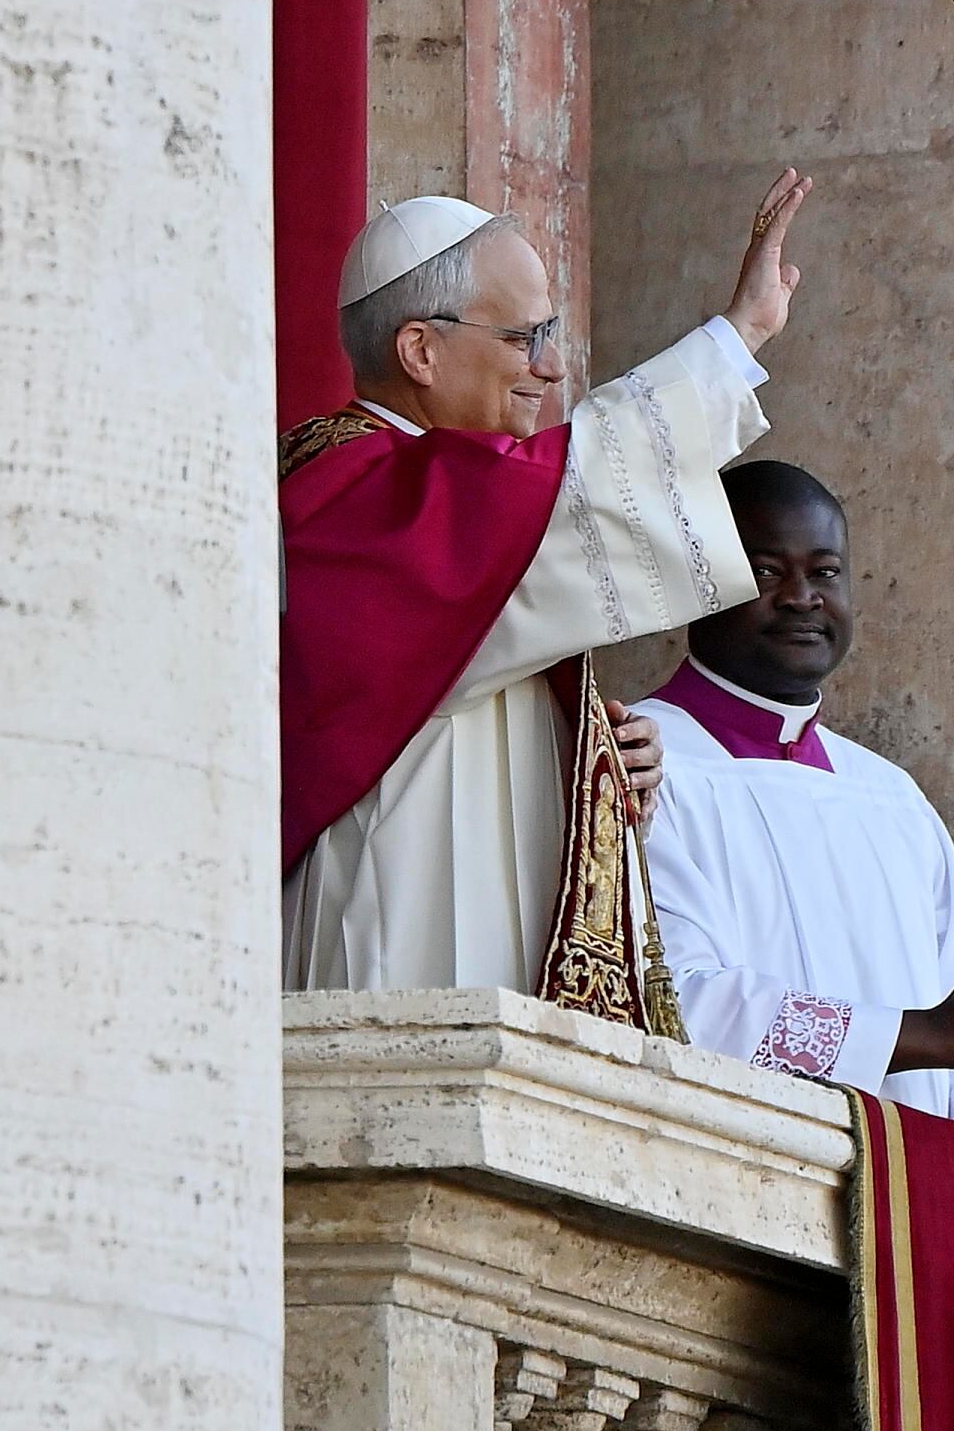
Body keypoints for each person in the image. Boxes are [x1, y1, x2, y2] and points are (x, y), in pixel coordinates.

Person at [281, 172, 813, 1009]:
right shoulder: (353, 495)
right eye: (525, 336)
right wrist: (737, 336)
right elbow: (579, 483)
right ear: (421, 350)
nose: (553, 366)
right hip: (408, 914)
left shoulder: (443, 496)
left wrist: (594, 753)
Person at [635, 461, 954, 1145]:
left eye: (826, 572)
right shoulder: (640, 761)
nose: (802, 597)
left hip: (909, 1191)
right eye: (767, 572)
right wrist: (924, 1035)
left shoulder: (889, 796)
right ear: (698, 583)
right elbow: (670, 1004)